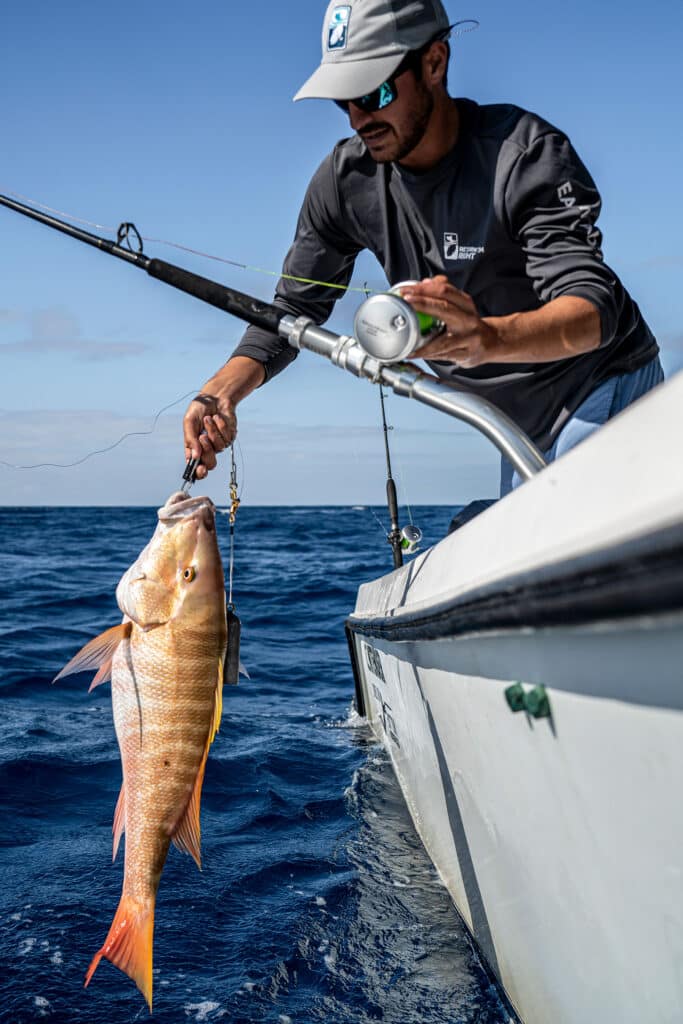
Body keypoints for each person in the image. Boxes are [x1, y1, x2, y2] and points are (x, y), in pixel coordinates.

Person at [183, 0, 662, 496]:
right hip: (511, 424)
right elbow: (292, 310)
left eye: (373, 91)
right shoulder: (345, 182)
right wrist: (220, 391)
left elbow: (593, 310)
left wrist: (487, 339)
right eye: (342, 101)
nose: (356, 119)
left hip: (603, 387)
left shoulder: (524, 155)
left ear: (434, 62)